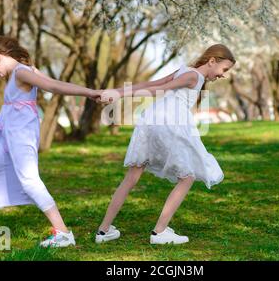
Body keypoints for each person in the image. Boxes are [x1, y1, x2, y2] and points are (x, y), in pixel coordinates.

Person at [0, 36, 101, 248]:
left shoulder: (23, 72)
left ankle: (63, 233)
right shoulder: (23, 71)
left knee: (29, 179)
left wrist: (90, 93)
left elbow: (54, 86)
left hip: (20, 134)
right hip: (4, 132)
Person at [96, 44, 235, 244]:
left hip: (150, 122)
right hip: (169, 124)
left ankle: (103, 231)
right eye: (224, 69)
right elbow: (158, 88)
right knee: (187, 177)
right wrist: (119, 94)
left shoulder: (184, 71)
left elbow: (150, 84)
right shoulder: (194, 76)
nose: (223, 75)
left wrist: (117, 91)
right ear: (212, 61)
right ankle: (159, 232)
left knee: (132, 177)